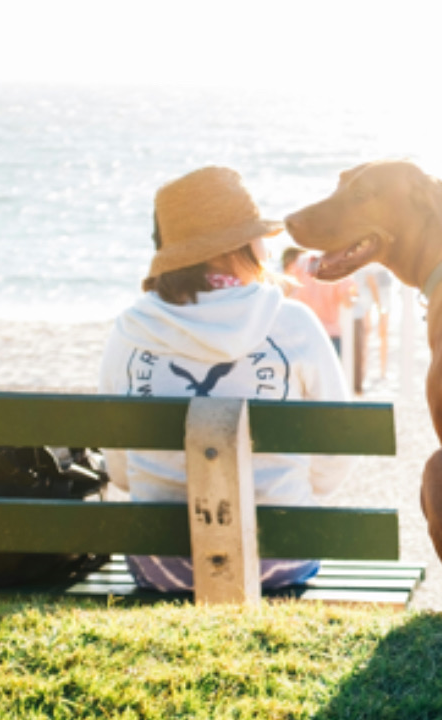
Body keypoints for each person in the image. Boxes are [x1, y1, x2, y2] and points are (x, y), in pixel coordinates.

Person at [97, 166, 354, 592]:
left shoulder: (131, 329)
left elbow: (120, 473)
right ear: (244, 245)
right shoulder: (292, 322)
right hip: (281, 555)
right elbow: (335, 457)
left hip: (161, 563)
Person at [288, 252, 355, 357]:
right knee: (331, 372)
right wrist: (356, 297)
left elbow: (290, 291)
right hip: (330, 334)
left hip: (305, 332)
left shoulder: (302, 262)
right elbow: (348, 303)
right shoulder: (338, 262)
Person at [349, 264, 393, 393]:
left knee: (378, 333)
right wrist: (378, 304)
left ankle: (380, 371)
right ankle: (373, 371)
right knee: (370, 333)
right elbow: (370, 277)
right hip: (370, 287)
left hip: (377, 286)